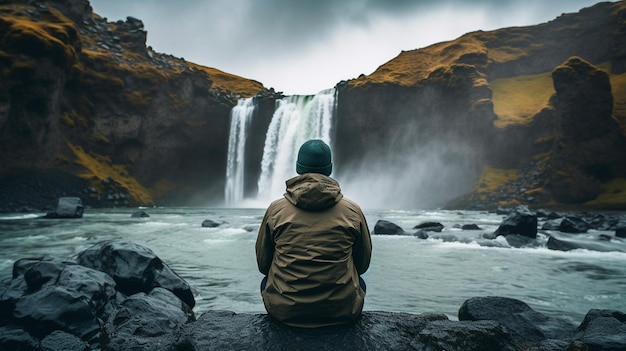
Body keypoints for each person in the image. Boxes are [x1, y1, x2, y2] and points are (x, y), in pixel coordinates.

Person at [255, 139, 372, 328]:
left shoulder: (275, 210)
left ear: (298, 167)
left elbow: (263, 265)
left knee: (265, 281)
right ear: (330, 169)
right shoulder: (352, 210)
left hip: (285, 311)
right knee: (361, 282)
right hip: (341, 311)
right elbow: (363, 264)